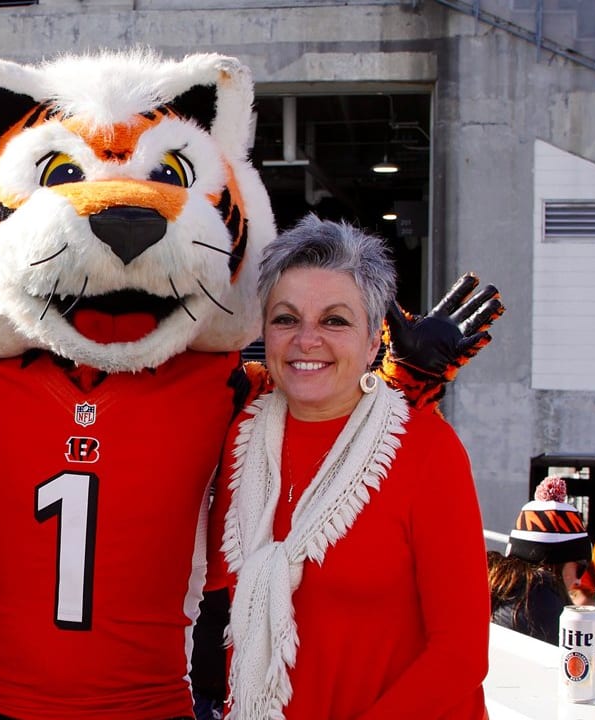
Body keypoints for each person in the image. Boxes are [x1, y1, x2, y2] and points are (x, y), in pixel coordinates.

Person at [207, 215, 489, 719]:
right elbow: (199, 578)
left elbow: (461, 655)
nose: (306, 340)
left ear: (374, 343)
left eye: (335, 320)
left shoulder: (426, 449)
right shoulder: (243, 439)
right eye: (286, 318)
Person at [488, 475, 590, 644]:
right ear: (557, 562)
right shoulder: (542, 598)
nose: (578, 581)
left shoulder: (494, 584)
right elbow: (578, 666)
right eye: (581, 568)